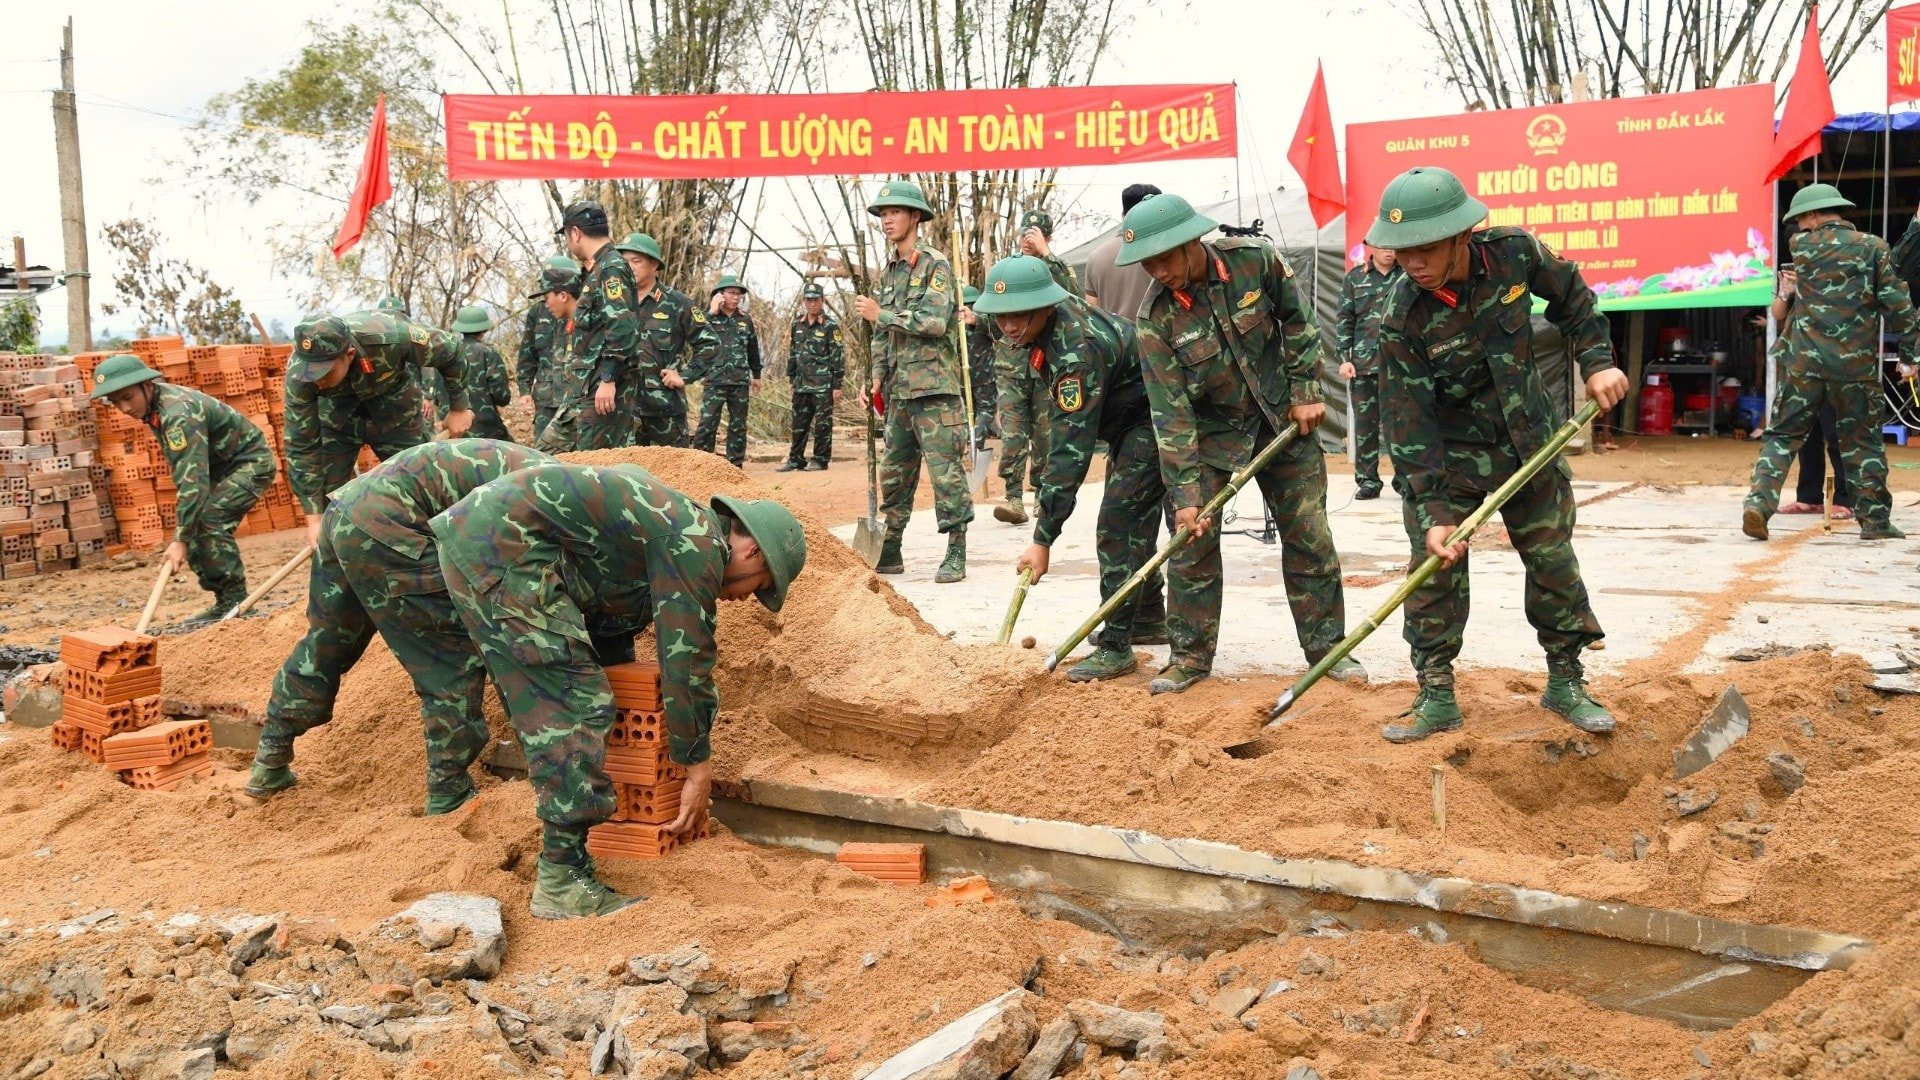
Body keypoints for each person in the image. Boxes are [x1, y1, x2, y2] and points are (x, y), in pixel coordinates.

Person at [433, 462, 806, 918]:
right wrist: (697, 765)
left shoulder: (672, 524)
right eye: (760, 587)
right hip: (502, 550)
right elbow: (686, 663)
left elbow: (606, 605)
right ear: (751, 551)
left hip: (484, 543)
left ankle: (572, 850)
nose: (745, 599)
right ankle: (562, 880)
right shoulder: (694, 543)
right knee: (574, 703)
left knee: (581, 691)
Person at [1367, 165, 1627, 742]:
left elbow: (1576, 302)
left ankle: (1566, 681)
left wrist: (1597, 361)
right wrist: (1434, 511)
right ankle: (1436, 694)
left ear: (1463, 235)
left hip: (1529, 440)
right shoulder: (1401, 318)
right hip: (1452, 459)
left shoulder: (1515, 254)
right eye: (1402, 250)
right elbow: (1409, 424)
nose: (1413, 262)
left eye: (1427, 248)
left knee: (1552, 559)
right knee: (1434, 569)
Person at [1118, 192, 1359, 696]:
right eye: (1148, 264)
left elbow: (1299, 322)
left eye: (1165, 258)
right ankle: (1189, 657)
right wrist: (1185, 496)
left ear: (1192, 242)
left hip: (1282, 421)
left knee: (1309, 535)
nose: (1159, 271)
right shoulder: (1155, 319)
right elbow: (1171, 411)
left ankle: (1328, 650)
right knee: (1191, 541)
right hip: (1210, 437)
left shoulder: (1255, 261)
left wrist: (1307, 389)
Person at [244, 440, 553, 810]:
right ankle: (448, 790)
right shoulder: (550, 501)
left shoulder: (548, 478)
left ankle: (270, 760)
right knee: (450, 655)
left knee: (327, 641)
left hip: (345, 511)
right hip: (391, 526)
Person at [981, 256, 1169, 681]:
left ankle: (1119, 646)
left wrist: (1042, 537)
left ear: (1044, 306)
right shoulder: (1049, 325)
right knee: (1135, 520)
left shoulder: (1073, 353)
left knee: (1117, 523)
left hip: (1154, 418)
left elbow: (1069, 452)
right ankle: (1149, 617)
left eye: (1018, 315)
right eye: (1001, 317)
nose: (1009, 326)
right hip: (1132, 416)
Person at [1744, 183, 1919, 542]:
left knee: (1780, 437)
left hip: (1803, 366)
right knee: (1862, 443)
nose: (1799, 229)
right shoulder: (1873, 248)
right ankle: (1874, 522)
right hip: (1853, 369)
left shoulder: (1800, 247)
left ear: (1812, 215)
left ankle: (1759, 504)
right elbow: (1900, 308)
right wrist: (1909, 357)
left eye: (1801, 220)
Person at [89, 354, 276, 621]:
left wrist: (179, 540)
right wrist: (183, 533)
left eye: (127, 397)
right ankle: (225, 601)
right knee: (193, 523)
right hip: (218, 467)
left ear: (148, 386)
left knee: (210, 521)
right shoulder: (156, 409)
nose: (124, 408)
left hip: (249, 464)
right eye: (116, 402)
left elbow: (193, 482)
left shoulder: (178, 414)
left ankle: (237, 604)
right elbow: (187, 476)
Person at [856, 180, 974, 583]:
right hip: (900, 394)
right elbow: (881, 336)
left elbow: (935, 322)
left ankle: (956, 549)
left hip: (935, 391)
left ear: (916, 216)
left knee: (946, 474)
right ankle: (890, 548)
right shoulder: (887, 272)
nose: (887, 219)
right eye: (883, 214)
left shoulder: (935, 265)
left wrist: (881, 316)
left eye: (895, 212)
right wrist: (875, 377)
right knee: (895, 472)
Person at [284, 310, 472, 544]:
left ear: (349, 354)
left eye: (324, 372)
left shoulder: (390, 336)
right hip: (337, 420)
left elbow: (452, 351)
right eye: (310, 372)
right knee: (331, 506)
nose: (316, 379)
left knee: (423, 489)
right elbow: (301, 443)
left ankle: (440, 552)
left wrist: (458, 409)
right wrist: (314, 519)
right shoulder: (300, 376)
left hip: (396, 413)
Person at [615, 232, 715, 448]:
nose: (629, 267)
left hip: (665, 412)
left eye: (636, 261)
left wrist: (685, 375)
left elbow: (710, 344)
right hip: (623, 411)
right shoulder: (615, 303)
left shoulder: (677, 303)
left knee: (672, 477)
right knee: (628, 477)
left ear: (653, 265)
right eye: (624, 262)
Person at [1767, 267, 1852, 518]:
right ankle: (1808, 497)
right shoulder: (1795, 275)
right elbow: (1777, 313)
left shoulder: (1835, 272)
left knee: (1836, 433)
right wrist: (1786, 291)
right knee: (1805, 434)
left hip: (1832, 365)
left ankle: (1845, 499)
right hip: (1800, 364)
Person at [557, 199, 641, 450]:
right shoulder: (598, 269)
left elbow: (622, 327)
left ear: (575, 232)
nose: (568, 243)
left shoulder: (610, 268)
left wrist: (608, 378)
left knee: (595, 472)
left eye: (567, 236)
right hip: (589, 388)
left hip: (602, 390)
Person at [1336, 242, 1402, 500]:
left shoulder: (1407, 276)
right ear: (1372, 246)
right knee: (1366, 428)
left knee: (1402, 427)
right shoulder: (1354, 278)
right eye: (1384, 246)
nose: (1389, 251)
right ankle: (1368, 481)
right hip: (1363, 367)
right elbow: (1345, 320)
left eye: (1392, 246)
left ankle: (1405, 480)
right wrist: (1344, 358)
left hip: (1401, 366)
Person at [693, 275, 762, 468]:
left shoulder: (744, 320)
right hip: (714, 379)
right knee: (707, 424)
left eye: (739, 294)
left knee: (738, 426)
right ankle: (700, 465)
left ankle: (735, 466)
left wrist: (756, 375)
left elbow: (753, 349)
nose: (736, 297)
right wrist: (711, 312)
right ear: (720, 295)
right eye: (732, 293)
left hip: (739, 380)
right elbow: (695, 336)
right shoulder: (707, 318)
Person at [420, 305, 514, 441]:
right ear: (484, 329)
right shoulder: (488, 353)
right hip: (487, 433)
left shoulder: (446, 353)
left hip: (453, 433)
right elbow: (502, 397)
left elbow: (437, 396)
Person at [778, 283, 844, 472]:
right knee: (799, 423)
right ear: (804, 301)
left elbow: (838, 356)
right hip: (801, 384)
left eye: (816, 300)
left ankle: (820, 459)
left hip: (823, 385)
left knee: (823, 424)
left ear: (822, 301)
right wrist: (791, 379)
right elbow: (793, 353)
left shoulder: (830, 326)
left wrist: (837, 384)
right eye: (809, 300)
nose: (812, 303)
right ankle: (795, 459)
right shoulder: (797, 325)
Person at [532, 262, 597, 454]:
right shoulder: (573, 325)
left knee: (543, 459)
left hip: (587, 414)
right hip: (572, 411)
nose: (546, 305)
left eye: (547, 298)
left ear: (563, 296)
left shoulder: (589, 325)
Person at [1083, 183, 1161, 317]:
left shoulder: (1095, 257)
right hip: (1158, 335)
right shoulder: (1165, 250)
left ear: (1123, 215)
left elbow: (1092, 312)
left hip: (1114, 336)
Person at [517, 257, 572, 441]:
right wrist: (524, 390)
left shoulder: (583, 311)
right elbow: (527, 353)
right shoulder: (537, 312)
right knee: (544, 450)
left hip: (574, 397)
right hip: (545, 398)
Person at [960, 285, 997, 443]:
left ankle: (968, 442)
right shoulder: (983, 317)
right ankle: (975, 442)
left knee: (969, 411)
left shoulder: (956, 320)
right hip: (984, 375)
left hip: (962, 377)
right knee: (986, 409)